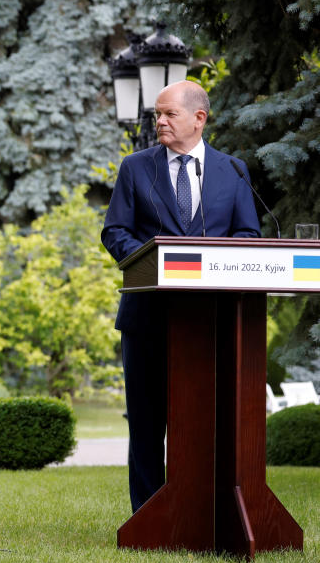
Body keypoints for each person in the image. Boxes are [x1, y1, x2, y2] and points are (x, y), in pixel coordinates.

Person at [101, 79, 260, 513]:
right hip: (147, 317)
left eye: (169, 114)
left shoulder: (234, 171)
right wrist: (154, 265)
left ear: (199, 118)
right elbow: (115, 230)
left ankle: (207, 513)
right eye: (157, 114)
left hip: (212, 320)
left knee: (208, 421)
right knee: (148, 425)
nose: (160, 122)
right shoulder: (136, 167)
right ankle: (149, 517)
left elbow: (249, 235)